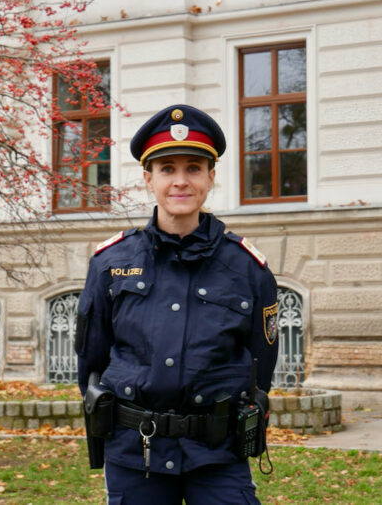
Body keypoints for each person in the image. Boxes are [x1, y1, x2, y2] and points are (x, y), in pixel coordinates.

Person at [75, 104, 279, 504]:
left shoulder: (247, 268)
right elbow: (91, 364)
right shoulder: (111, 263)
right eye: (167, 169)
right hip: (137, 456)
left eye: (193, 168)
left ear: (211, 177)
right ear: (149, 179)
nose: (180, 181)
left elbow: (262, 367)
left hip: (217, 457)